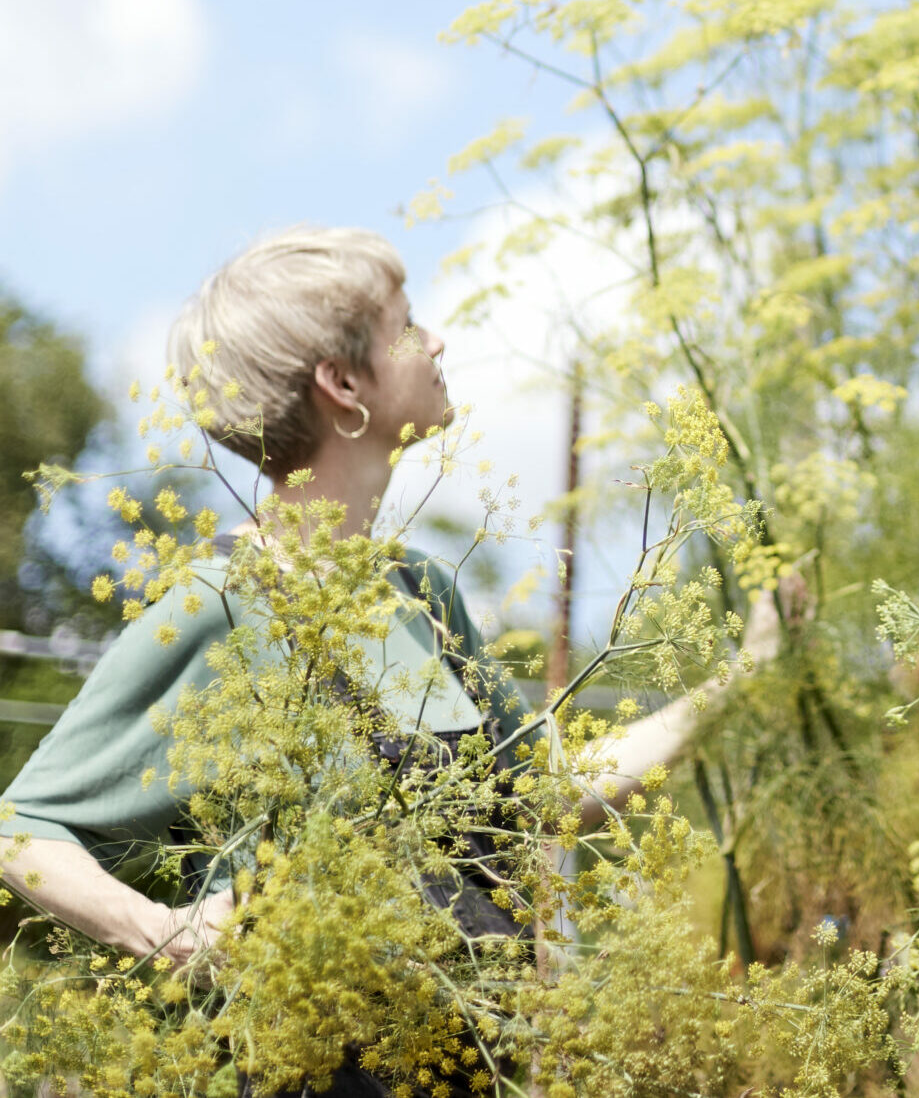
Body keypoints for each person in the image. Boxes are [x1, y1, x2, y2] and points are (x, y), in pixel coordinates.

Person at [0, 226, 722, 1091]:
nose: (438, 340)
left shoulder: (419, 590)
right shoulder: (226, 605)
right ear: (342, 384)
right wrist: (167, 931)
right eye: (407, 325)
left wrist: (732, 686)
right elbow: (22, 828)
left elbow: (544, 795)